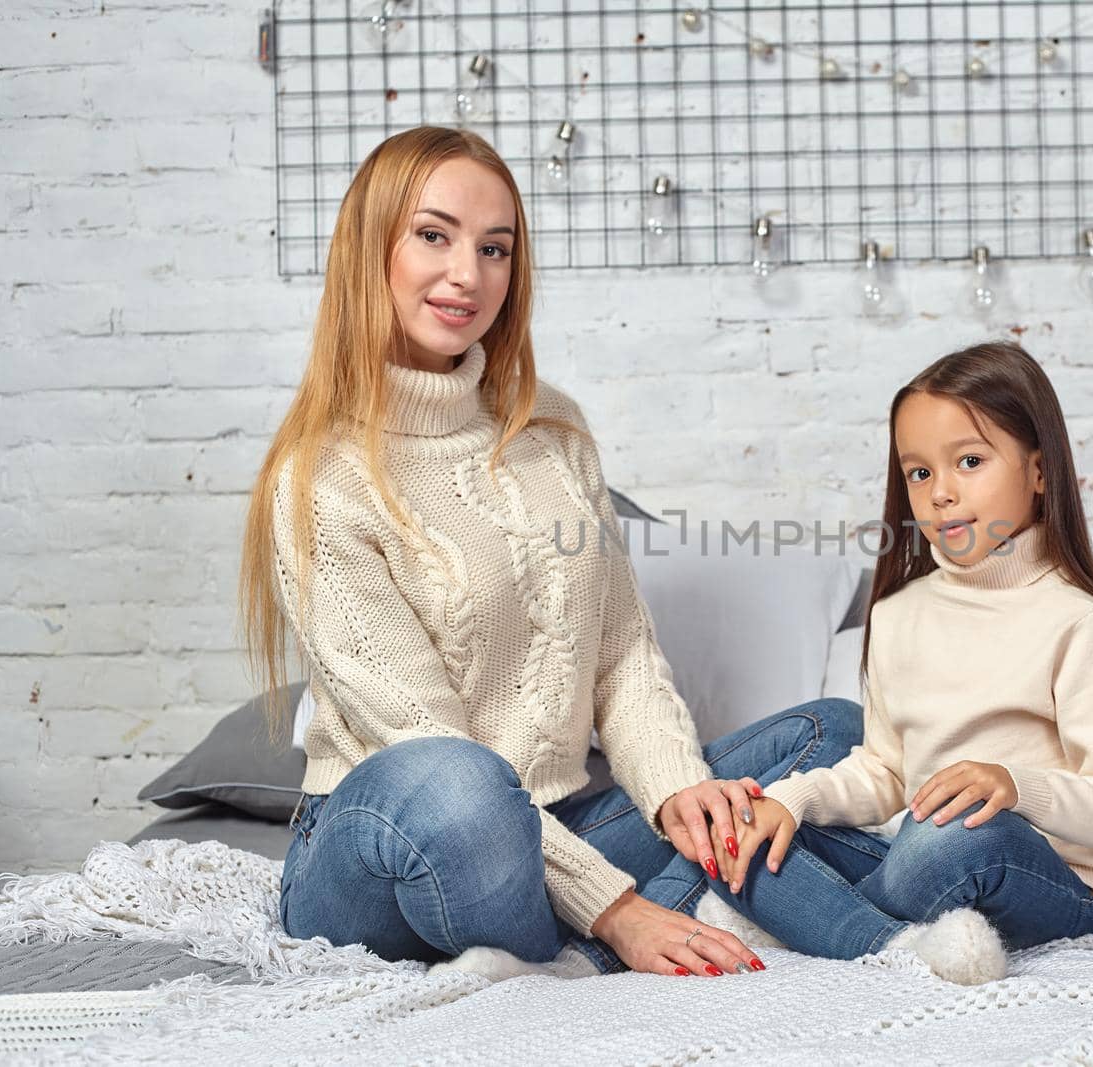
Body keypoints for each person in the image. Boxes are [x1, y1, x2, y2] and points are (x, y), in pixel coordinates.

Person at [237, 124, 867, 980]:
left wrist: (680, 786)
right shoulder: (322, 480)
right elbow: (425, 742)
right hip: (383, 847)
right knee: (465, 791)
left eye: (495, 248)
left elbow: (622, 657)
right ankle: (618, 923)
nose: (469, 273)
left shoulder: (554, 431)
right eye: (434, 235)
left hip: (559, 824)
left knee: (831, 732)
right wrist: (620, 909)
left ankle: (561, 937)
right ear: (369, 249)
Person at [697, 340, 1093, 983]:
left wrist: (1015, 785)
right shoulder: (897, 613)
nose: (940, 493)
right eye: (919, 473)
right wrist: (791, 800)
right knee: (733, 829)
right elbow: (884, 772)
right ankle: (897, 949)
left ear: (1038, 470)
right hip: (917, 860)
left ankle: (810, 920)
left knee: (951, 834)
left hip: (1054, 882)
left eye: (969, 461)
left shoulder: (1080, 622)